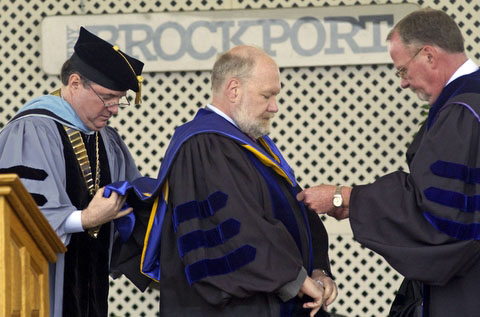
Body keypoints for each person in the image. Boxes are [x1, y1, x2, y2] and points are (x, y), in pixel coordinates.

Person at [110, 45, 337, 316]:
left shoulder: (251, 146)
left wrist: (319, 269)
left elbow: (296, 212)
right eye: (267, 95)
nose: (274, 107)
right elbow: (234, 227)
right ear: (233, 90)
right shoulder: (204, 145)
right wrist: (294, 279)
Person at [297, 8, 480, 317]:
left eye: (402, 71)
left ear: (429, 56)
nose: (403, 84)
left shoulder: (463, 112)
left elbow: (441, 218)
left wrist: (347, 197)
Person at [0, 27, 144, 316]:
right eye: (108, 97)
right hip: (37, 287)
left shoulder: (107, 139)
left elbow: (134, 199)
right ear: (75, 83)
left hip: (93, 288)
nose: (114, 109)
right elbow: (15, 217)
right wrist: (86, 219)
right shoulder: (31, 130)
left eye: (120, 100)